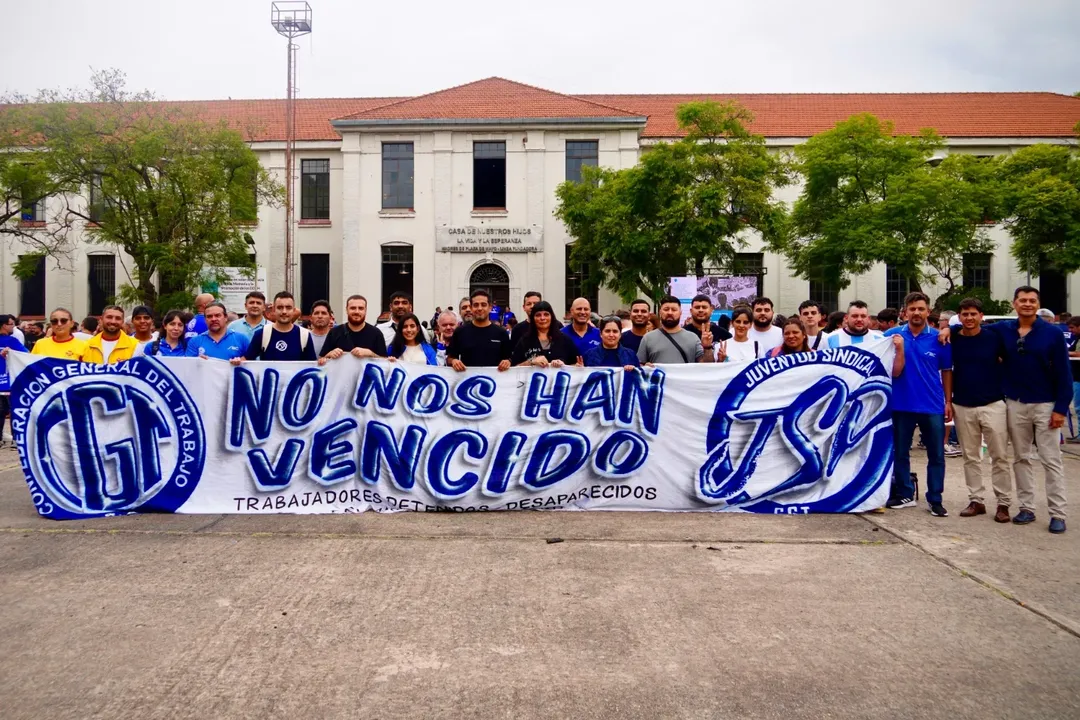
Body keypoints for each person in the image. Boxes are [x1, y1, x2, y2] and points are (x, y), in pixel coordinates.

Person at [994, 287, 1071, 534]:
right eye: (1023, 300)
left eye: (1032, 301)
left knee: (1051, 460)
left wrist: (1060, 408)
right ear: (1014, 303)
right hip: (1016, 403)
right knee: (1020, 458)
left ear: (1038, 304)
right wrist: (947, 329)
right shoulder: (1003, 330)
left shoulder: (1052, 334)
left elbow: (1064, 373)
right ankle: (1027, 507)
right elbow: (971, 328)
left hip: (1046, 404)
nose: (1027, 304)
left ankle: (1057, 513)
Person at [884, 292, 950, 517]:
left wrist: (948, 401)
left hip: (932, 405)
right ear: (905, 312)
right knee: (900, 452)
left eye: (921, 308)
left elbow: (947, 371)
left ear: (928, 311)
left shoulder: (939, 338)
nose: (916, 313)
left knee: (937, 454)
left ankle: (935, 498)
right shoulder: (891, 336)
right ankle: (904, 493)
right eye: (912, 309)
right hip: (901, 404)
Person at [949, 297, 1012, 523]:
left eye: (973, 314)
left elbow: (1010, 361)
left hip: (993, 403)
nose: (969, 318)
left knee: (1000, 456)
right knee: (970, 456)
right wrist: (948, 328)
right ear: (960, 316)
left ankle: (1003, 503)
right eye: (965, 314)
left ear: (981, 316)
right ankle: (976, 500)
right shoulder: (953, 337)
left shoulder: (994, 337)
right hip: (963, 404)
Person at [240, 292, 316, 362]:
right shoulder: (262, 334)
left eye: (288, 308)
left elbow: (312, 366)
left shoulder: (304, 335)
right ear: (273, 310)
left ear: (293, 310)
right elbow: (246, 361)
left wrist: (324, 362)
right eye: (280, 307)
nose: (284, 312)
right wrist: (237, 362)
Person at [447, 289, 512, 371]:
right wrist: (454, 361)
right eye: (476, 305)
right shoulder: (460, 332)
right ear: (471, 308)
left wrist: (507, 362)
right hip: (469, 382)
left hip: (495, 381)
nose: (480, 308)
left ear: (490, 307)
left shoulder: (501, 333)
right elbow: (449, 358)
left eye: (483, 305)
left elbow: (509, 358)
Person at [637, 295, 712, 364]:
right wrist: (645, 367)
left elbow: (705, 367)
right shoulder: (648, 338)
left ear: (680, 313)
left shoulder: (693, 338)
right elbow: (639, 366)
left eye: (674, 310)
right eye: (666, 309)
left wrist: (707, 347)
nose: (670, 313)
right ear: (660, 312)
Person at [319, 295, 387, 364]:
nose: (356, 312)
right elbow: (320, 360)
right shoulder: (334, 332)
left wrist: (370, 353)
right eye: (353, 308)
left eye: (360, 308)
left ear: (365, 310)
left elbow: (385, 362)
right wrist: (329, 354)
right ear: (346, 310)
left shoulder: (376, 333)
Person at [512, 301, 580, 368]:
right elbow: (513, 369)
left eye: (546, 314)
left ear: (552, 317)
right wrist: (531, 362)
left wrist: (564, 366)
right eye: (538, 315)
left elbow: (577, 365)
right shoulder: (524, 341)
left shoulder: (565, 340)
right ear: (533, 318)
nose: (542, 318)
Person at [185, 302, 250, 360]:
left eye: (217, 315)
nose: (213, 319)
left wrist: (241, 361)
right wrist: (197, 362)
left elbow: (251, 363)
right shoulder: (195, 342)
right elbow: (189, 368)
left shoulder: (241, 339)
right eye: (209, 316)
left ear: (226, 317)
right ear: (205, 319)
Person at [0, 315, 27, 447]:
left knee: (4, 410)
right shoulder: (11, 341)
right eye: (11, 324)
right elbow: (26, 354)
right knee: (13, 409)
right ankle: (16, 438)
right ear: (4, 325)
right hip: (10, 381)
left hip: (7, 382)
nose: (13, 327)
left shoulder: (12, 341)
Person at [1068, 316, 1080, 443]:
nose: (1070, 331)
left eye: (1072, 327)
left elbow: (1078, 354)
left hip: (1079, 378)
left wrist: (1065, 352)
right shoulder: (1076, 339)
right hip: (1076, 377)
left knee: (1079, 408)